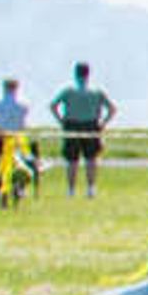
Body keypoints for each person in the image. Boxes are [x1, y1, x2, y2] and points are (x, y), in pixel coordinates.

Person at [50, 63, 113, 197]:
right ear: (88, 74)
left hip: (72, 125)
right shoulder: (96, 91)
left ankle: (71, 189)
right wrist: (103, 123)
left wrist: (61, 121)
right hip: (91, 125)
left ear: (76, 73)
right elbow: (112, 109)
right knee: (91, 159)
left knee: (72, 160)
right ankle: (91, 188)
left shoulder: (68, 91)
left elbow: (53, 106)